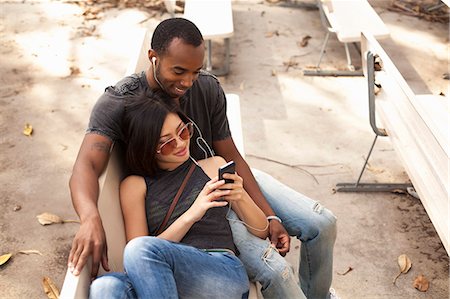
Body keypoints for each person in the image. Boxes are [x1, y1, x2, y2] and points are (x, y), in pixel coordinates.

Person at [69, 17, 337, 299]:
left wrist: (267, 212)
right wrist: (89, 217)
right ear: (153, 58)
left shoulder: (206, 87)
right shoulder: (120, 101)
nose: (187, 82)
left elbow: (229, 153)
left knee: (321, 223)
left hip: (217, 177)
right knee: (272, 269)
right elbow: (86, 163)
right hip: (187, 204)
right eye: (179, 71)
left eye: (196, 71)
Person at [89, 95, 269, 298]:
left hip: (221, 272)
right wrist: (192, 214)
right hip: (161, 280)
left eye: (183, 131)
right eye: (167, 143)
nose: (181, 144)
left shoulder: (212, 167)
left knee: (140, 250)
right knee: (104, 288)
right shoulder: (135, 186)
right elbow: (136, 258)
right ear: (147, 148)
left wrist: (241, 196)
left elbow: (262, 230)